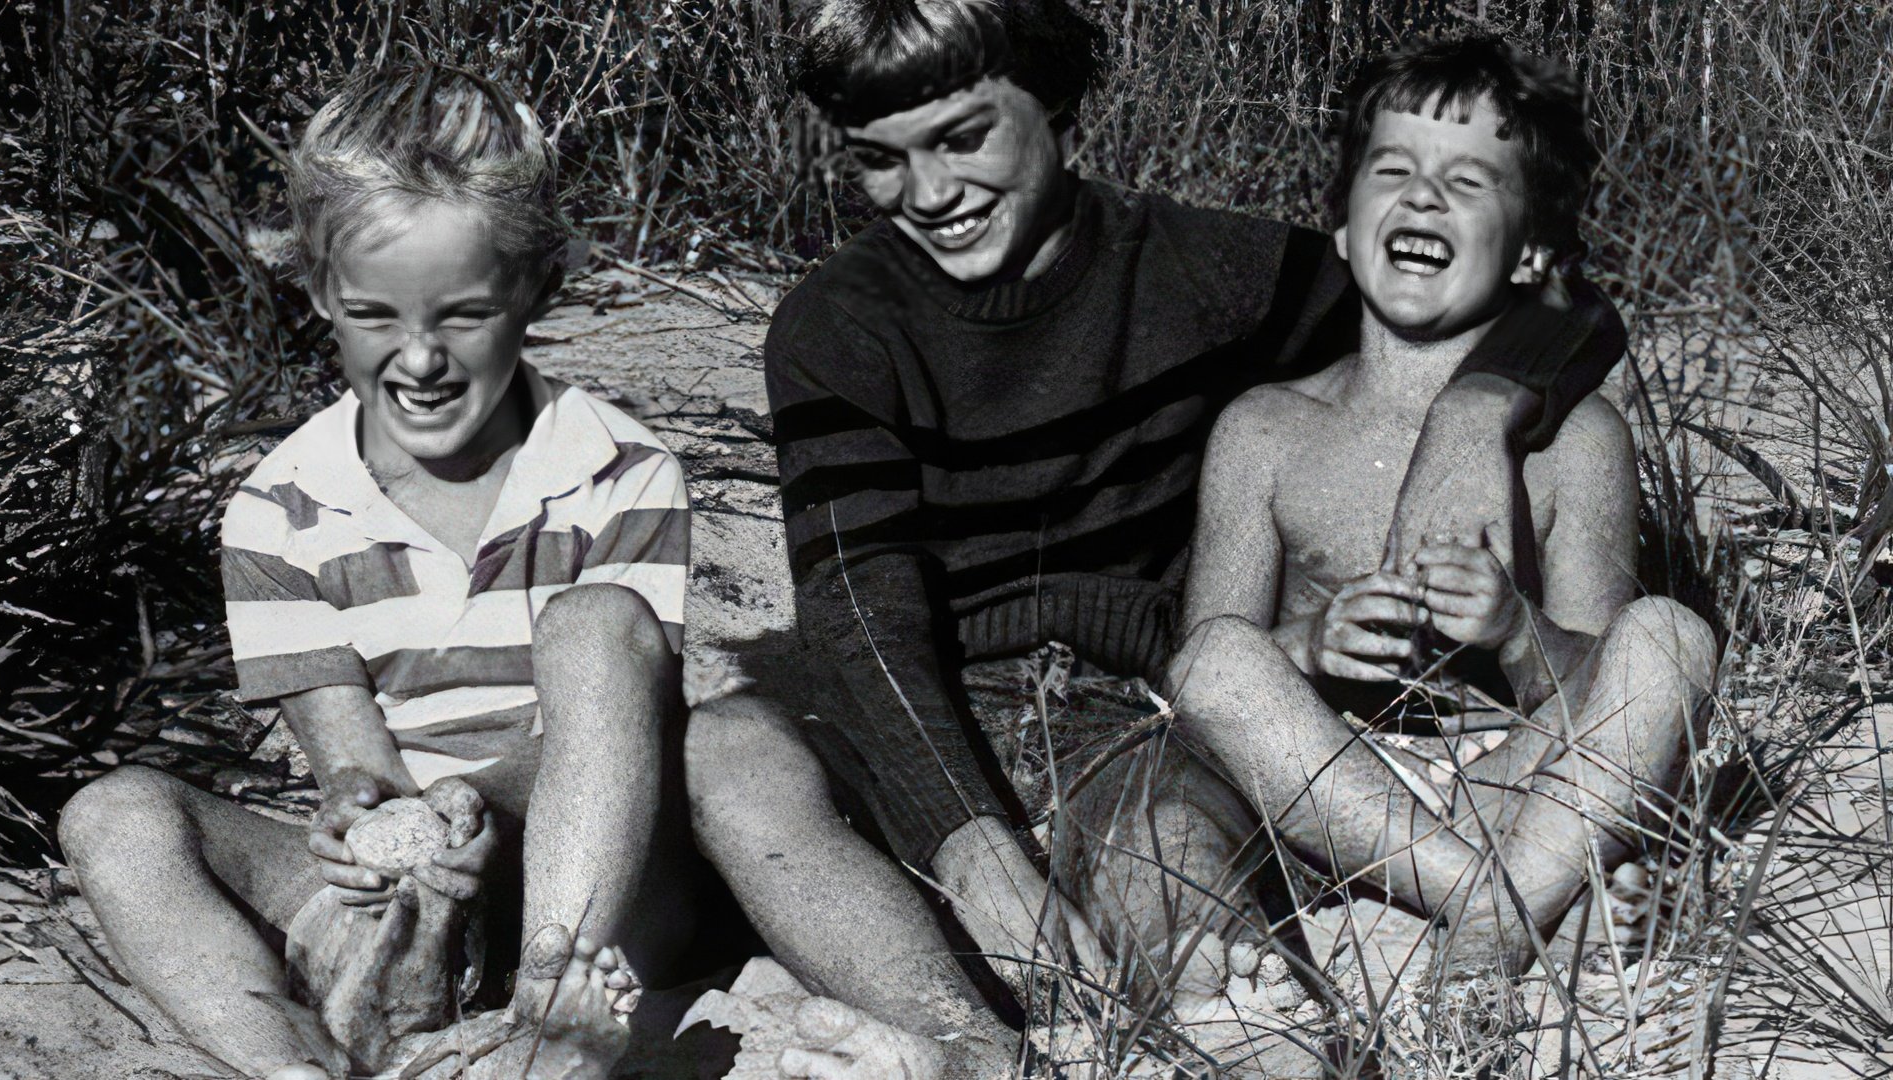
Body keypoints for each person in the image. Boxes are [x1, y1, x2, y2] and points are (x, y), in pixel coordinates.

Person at [683, 1, 1630, 1073]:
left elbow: (1546, 303)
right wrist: (979, 849)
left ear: (1055, 102)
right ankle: (972, 1049)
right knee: (729, 749)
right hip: (916, 717)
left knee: (1177, 873)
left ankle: (1257, 1028)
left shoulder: (1205, 273)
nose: (930, 194)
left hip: (1127, 715)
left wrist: (1481, 407)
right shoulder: (837, 327)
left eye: (963, 138)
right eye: (878, 160)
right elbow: (863, 621)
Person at [58, 65, 696, 1080]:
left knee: (599, 621)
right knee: (114, 815)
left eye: (464, 314)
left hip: (575, 878)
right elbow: (350, 760)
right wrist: (360, 816)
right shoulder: (281, 507)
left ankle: (545, 1017)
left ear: (534, 286)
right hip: (410, 878)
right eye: (375, 315)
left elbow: (620, 728)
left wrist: (467, 815)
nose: (420, 358)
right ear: (318, 292)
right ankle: (296, 1062)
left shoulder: (620, 470)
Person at [1168, 35, 1718, 980]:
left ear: (1532, 249)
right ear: (1341, 222)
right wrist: (1313, 642)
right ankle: (1509, 910)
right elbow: (1202, 679)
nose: (1424, 197)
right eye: (1394, 171)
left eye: (1469, 183)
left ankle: (1497, 901)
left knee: (1671, 637)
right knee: (1217, 663)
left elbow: (1592, 679)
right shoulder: (1264, 429)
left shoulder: (1577, 441)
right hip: (1340, 795)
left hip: (1523, 783)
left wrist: (1513, 630)